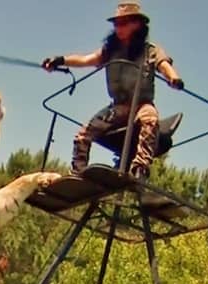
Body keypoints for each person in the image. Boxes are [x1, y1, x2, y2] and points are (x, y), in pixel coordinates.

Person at [42, 1, 184, 179]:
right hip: (118, 107)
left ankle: (139, 168)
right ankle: (78, 173)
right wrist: (60, 61)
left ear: (137, 24)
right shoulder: (110, 50)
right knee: (82, 135)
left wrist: (173, 78)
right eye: (116, 24)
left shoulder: (150, 50)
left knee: (151, 120)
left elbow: (164, 65)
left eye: (123, 23)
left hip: (141, 104)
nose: (118, 28)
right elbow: (87, 60)